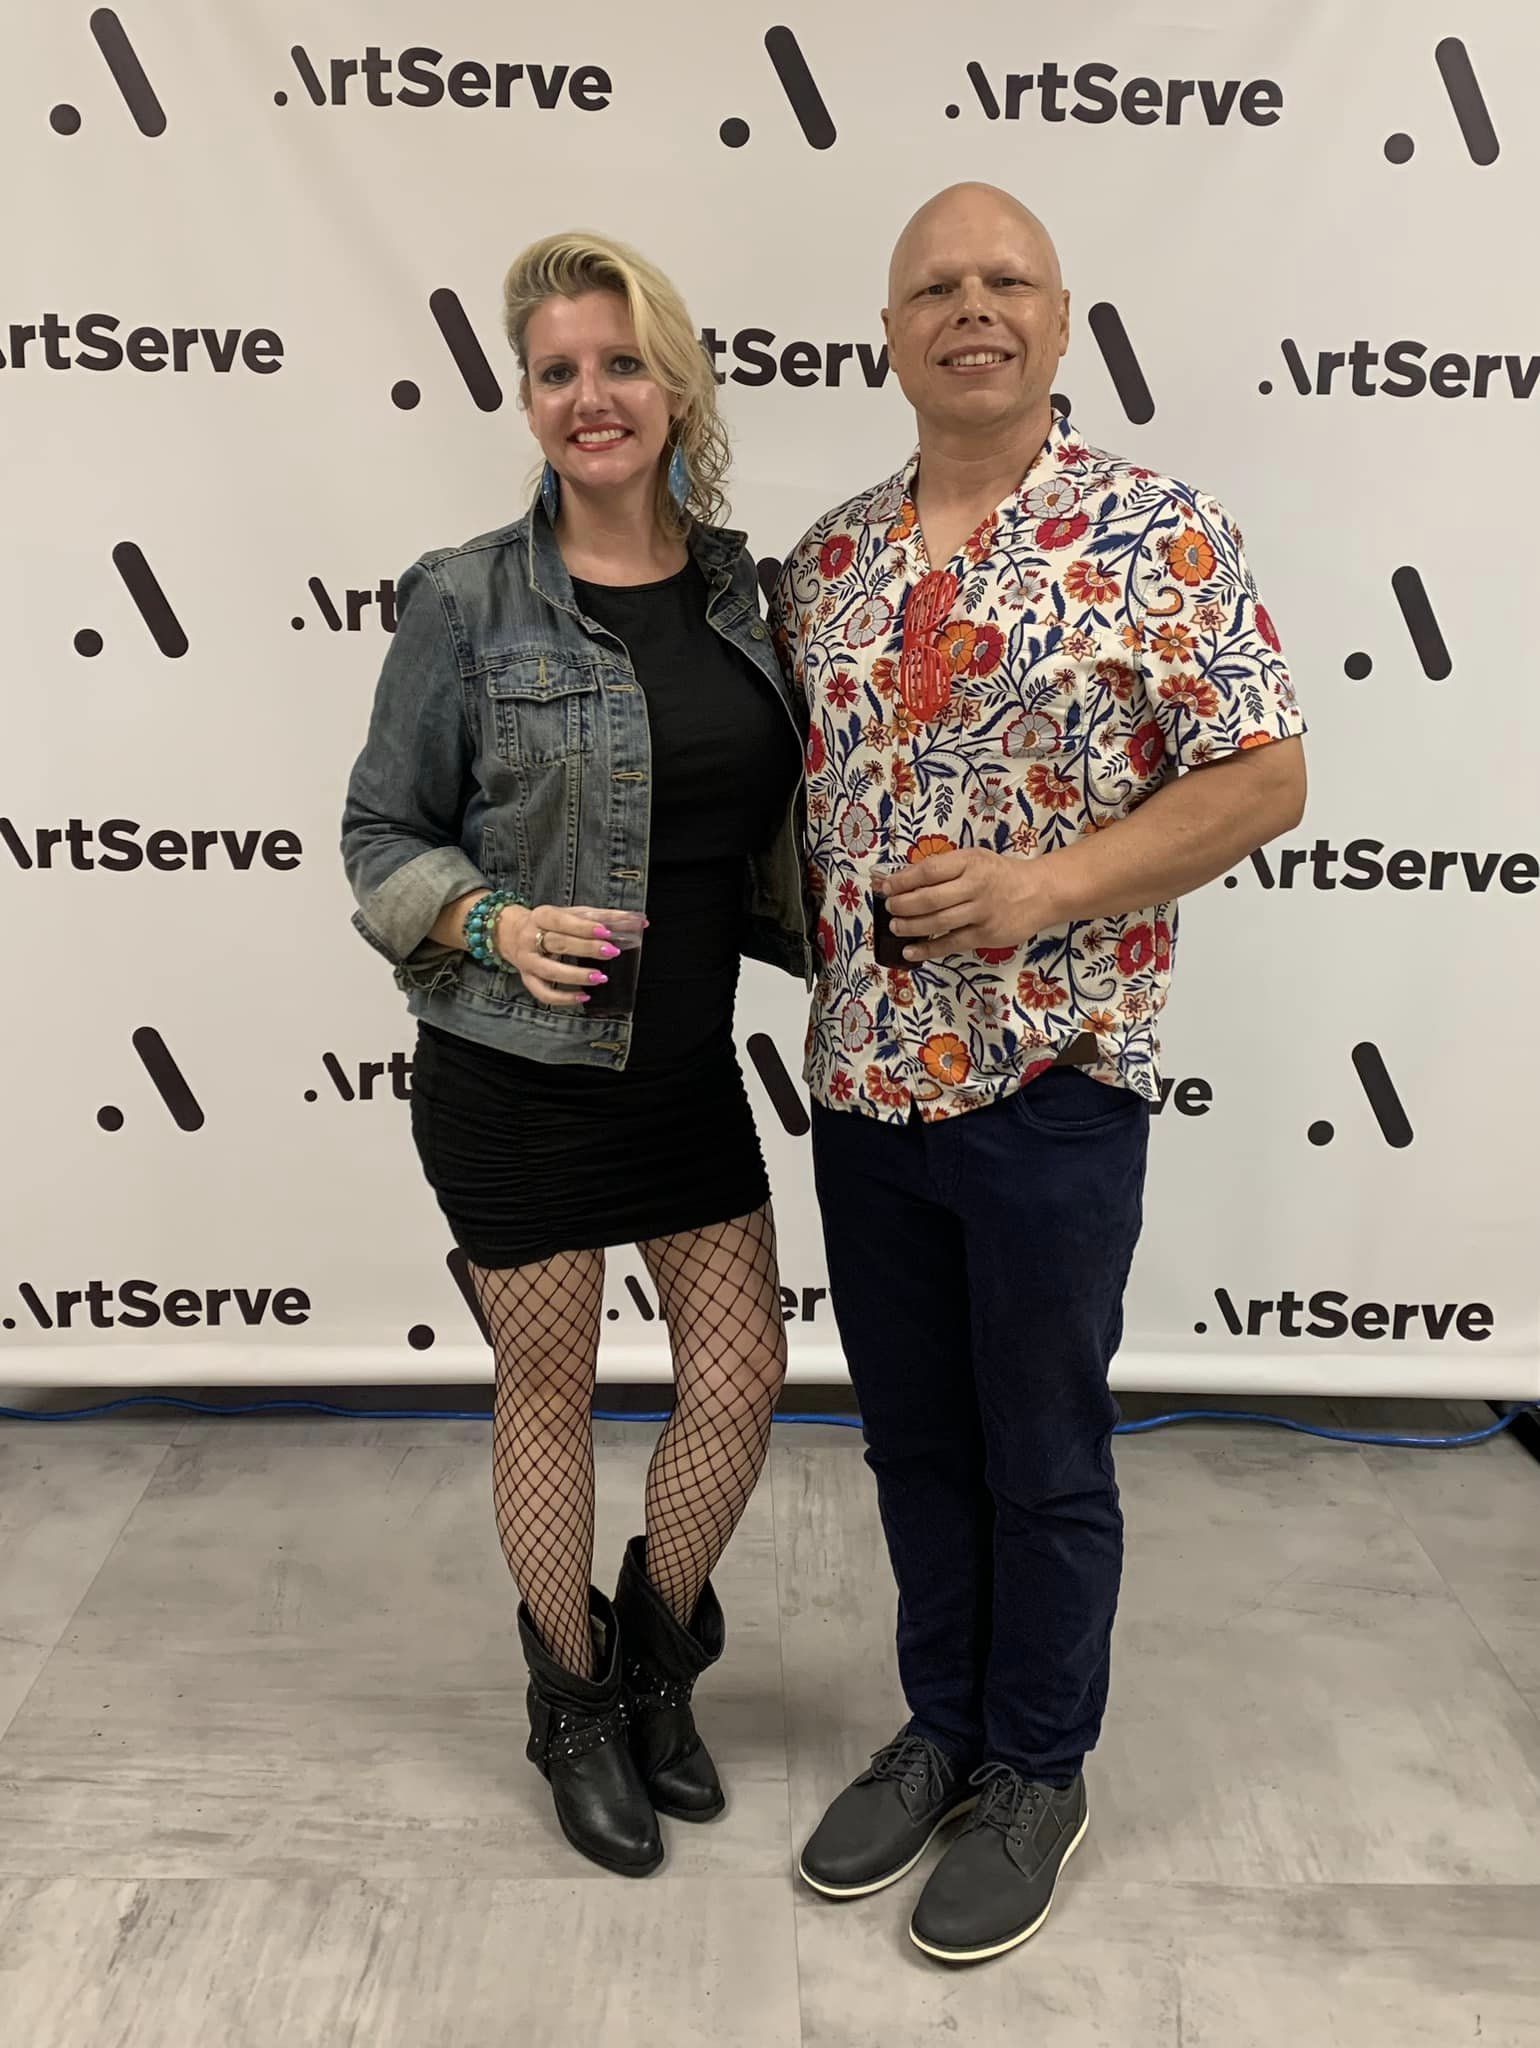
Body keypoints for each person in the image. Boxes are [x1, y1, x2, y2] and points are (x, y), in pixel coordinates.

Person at [772, 183, 1306, 1964]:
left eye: (1006, 280)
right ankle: (943, 1729)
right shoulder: (827, 561)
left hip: (1055, 1086)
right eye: (936, 285)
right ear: (892, 333)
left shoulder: (1161, 533)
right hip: (861, 1089)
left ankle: (1039, 1770)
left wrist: (1042, 890)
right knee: (915, 1443)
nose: (971, 306)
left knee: (1045, 1450)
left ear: (1062, 322)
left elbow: (1260, 778)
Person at [341, 231, 809, 1878]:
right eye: (557, 371)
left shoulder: (757, 592)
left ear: (672, 380)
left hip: (685, 1071)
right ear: (526, 399)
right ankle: (570, 1704)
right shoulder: (465, 596)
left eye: (619, 362)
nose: (591, 397)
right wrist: (485, 924)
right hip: (510, 1076)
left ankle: (657, 1656)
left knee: (740, 1379)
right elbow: (379, 832)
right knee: (549, 1389)